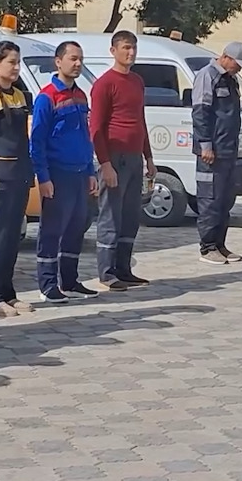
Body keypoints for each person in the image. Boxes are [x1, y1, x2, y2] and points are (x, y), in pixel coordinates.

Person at [31, 41, 100, 304]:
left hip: (80, 173)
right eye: (73, 59)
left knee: (76, 227)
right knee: (51, 230)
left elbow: (85, 135)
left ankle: (69, 280)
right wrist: (44, 177)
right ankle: (48, 284)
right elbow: (36, 142)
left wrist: (91, 171)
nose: (78, 64)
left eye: (80, 59)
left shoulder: (82, 95)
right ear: (58, 62)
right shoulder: (47, 97)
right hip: (57, 174)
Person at [90, 30, 155, 290]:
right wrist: (105, 164)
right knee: (110, 215)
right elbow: (95, 127)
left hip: (134, 157)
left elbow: (140, 119)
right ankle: (106, 272)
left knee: (130, 215)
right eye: (126, 47)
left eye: (134, 48)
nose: (131, 53)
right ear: (113, 50)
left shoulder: (138, 81)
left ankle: (124, 268)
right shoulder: (105, 84)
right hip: (114, 158)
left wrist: (148, 156)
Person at [0, 40, 36, 318]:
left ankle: (7, 293)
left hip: (20, 175)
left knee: (12, 239)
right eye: (11, 62)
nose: (15, 68)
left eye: (18, 62)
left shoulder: (21, 96)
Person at [191, 42, 242, 265]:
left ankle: (220, 244)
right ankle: (208, 247)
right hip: (211, 152)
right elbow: (201, 112)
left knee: (225, 200)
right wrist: (205, 144)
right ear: (225, 57)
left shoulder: (230, 79)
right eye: (237, 64)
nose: (239, 69)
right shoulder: (207, 75)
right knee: (210, 199)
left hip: (228, 149)